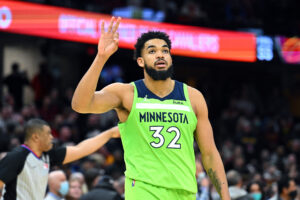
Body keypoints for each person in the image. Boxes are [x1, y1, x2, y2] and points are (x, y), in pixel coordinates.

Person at [71, 16, 230, 200]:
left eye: (165, 50)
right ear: (140, 61)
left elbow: (209, 154)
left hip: (184, 192)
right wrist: (101, 58)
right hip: (144, 190)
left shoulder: (193, 97)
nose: (160, 54)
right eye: (152, 51)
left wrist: (225, 197)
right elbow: (80, 105)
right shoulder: (127, 93)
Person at [0, 118, 119, 200]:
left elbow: (80, 149)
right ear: (36, 137)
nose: (52, 137)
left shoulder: (48, 156)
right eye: (48, 134)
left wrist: (109, 134)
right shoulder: (15, 157)